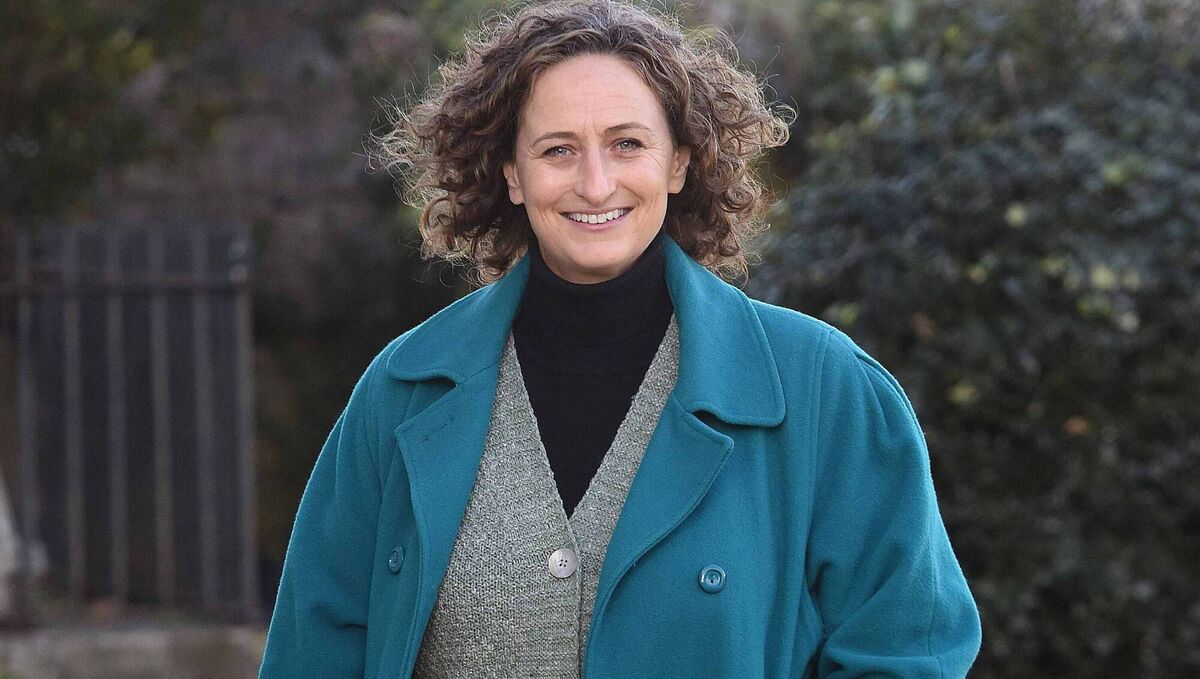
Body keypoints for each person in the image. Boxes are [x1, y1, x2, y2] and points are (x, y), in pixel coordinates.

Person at [259, 0, 982, 677]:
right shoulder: (401, 391)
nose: (596, 183)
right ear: (512, 174)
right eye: (558, 150)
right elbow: (312, 651)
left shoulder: (827, 391)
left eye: (627, 143)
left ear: (679, 162)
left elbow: (905, 649)